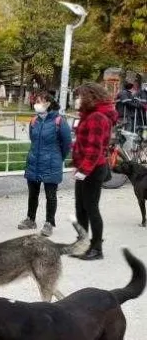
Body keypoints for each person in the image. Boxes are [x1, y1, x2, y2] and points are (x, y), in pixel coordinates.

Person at [71, 83, 118, 260]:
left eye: (79, 96)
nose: (77, 100)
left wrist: (83, 169)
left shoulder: (97, 117)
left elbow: (94, 148)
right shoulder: (88, 115)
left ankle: (96, 249)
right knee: (80, 207)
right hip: (85, 168)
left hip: (93, 168)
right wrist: (78, 166)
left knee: (91, 208)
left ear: (90, 97)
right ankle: (83, 243)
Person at [18, 91, 72, 237]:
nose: (37, 104)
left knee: (51, 196)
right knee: (32, 194)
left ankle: (49, 223)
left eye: (40, 101)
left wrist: (57, 158)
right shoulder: (34, 120)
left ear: (48, 103)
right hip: (34, 161)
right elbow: (33, 139)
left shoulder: (59, 121)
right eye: (36, 101)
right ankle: (30, 219)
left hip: (51, 163)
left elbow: (67, 144)